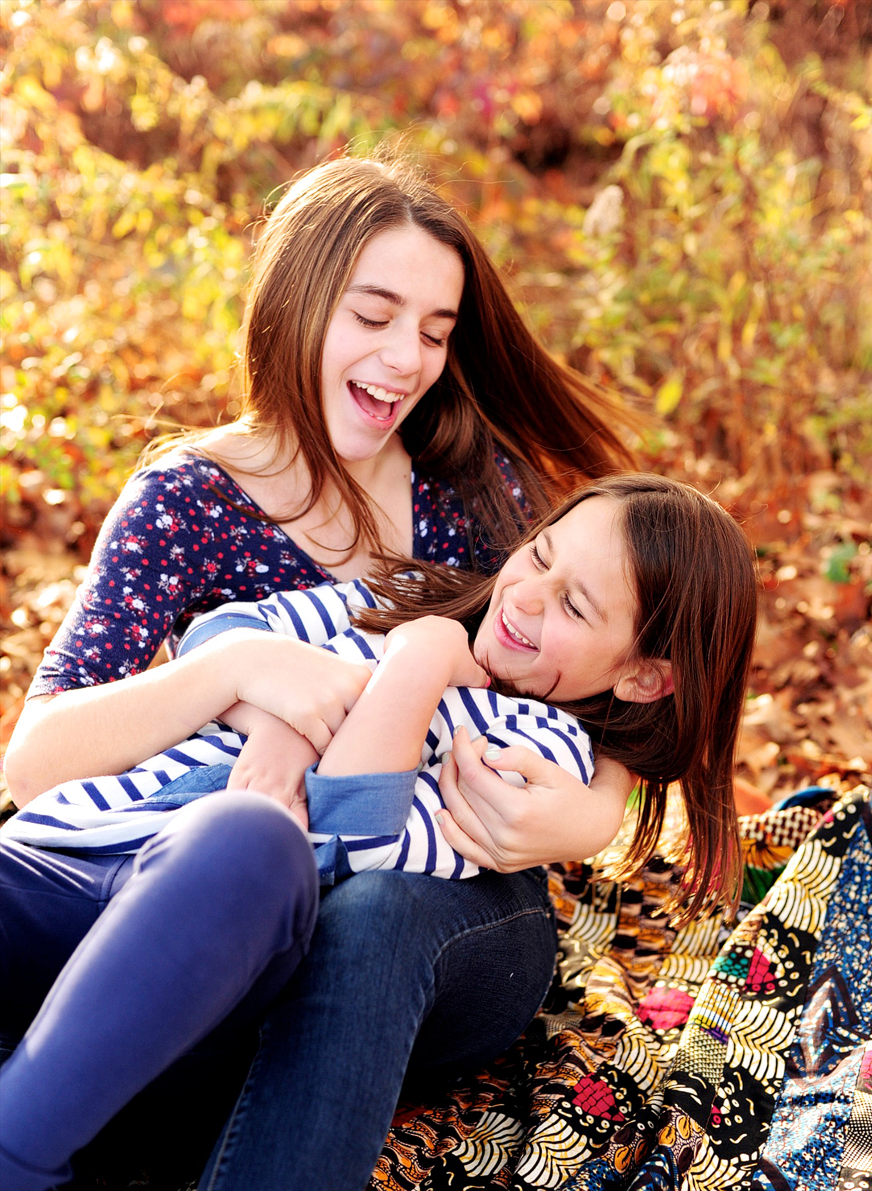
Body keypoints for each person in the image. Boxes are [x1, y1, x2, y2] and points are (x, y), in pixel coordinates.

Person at [2, 153, 644, 1190]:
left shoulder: (476, 492)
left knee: (363, 913)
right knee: (236, 861)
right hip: (214, 879)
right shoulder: (188, 503)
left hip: (449, 907)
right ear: (298, 301)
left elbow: (623, 666)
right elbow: (37, 768)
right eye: (375, 316)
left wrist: (594, 813)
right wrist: (244, 670)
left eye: (435, 333)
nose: (406, 361)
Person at [0, 476, 758, 1191]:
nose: (525, 595)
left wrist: (418, 664)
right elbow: (221, 633)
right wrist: (279, 720)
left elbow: (348, 834)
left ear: (642, 676)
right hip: (87, 848)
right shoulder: (394, 598)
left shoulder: (530, 746)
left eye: (574, 607)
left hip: (222, 912)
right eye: (539, 555)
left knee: (250, 839)